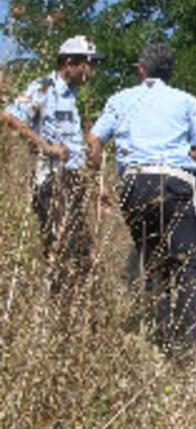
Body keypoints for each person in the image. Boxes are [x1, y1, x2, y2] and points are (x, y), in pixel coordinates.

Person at [86, 43, 196, 356]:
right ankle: (192, 350)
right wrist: (187, 155)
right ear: (168, 72)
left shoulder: (120, 100)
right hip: (173, 183)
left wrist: (100, 182)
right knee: (188, 265)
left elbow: (94, 139)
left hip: (133, 185)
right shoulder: (186, 101)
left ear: (141, 71)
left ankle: (164, 339)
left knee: (154, 260)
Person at [2, 35, 102, 293]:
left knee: (82, 250)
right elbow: (11, 116)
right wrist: (46, 147)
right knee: (61, 246)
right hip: (52, 178)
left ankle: (72, 308)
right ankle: (58, 304)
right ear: (69, 62)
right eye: (88, 63)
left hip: (72, 179)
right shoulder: (44, 87)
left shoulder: (72, 95)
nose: (91, 70)